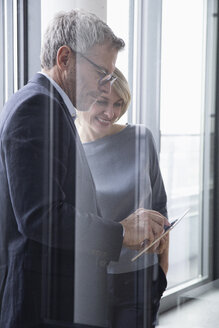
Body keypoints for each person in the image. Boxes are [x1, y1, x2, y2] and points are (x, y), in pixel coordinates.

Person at [0, 9, 169, 328]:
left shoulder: (49, 106)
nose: (105, 86)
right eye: (101, 73)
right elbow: (41, 217)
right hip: (41, 303)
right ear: (65, 58)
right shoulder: (36, 108)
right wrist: (121, 231)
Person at [76, 67, 169, 328]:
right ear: (84, 97)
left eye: (118, 103)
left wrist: (163, 268)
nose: (111, 112)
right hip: (89, 282)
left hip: (141, 277)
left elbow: (160, 205)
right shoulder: (68, 147)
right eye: (102, 102)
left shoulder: (141, 137)